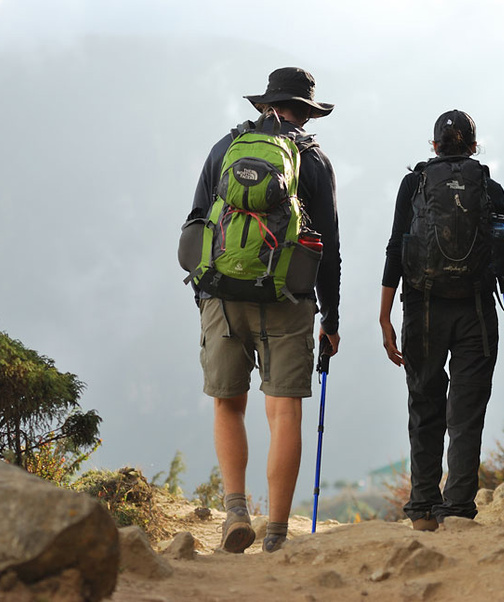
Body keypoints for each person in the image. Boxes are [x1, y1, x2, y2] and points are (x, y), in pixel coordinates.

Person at [187, 67, 341, 553]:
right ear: (307, 111)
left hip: (223, 297)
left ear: (265, 105)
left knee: (228, 403)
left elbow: (195, 223)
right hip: (287, 300)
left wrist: (204, 294)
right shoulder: (313, 160)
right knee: (284, 411)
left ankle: (235, 510)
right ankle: (276, 532)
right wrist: (330, 318)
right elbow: (329, 248)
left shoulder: (225, 148)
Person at [379, 110, 504, 531]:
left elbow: (395, 250)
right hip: (476, 310)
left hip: (421, 307)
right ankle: (457, 508)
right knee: (466, 413)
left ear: (434, 146)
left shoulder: (413, 185)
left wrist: (384, 317)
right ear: (474, 147)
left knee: (424, 406)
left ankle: (422, 508)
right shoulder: (490, 189)